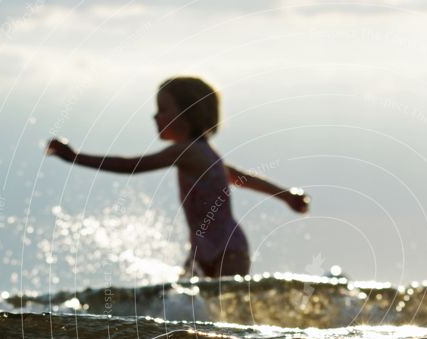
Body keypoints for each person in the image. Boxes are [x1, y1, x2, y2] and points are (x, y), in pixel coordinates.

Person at [46, 76, 309, 277]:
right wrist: (285, 196)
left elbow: (133, 165)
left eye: (162, 109)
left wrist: (74, 157)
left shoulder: (188, 151)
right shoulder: (205, 154)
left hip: (227, 251)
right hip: (208, 248)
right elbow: (241, 178)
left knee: (220, 310)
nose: (155, 116)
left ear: (186, 116)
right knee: (194, 308)